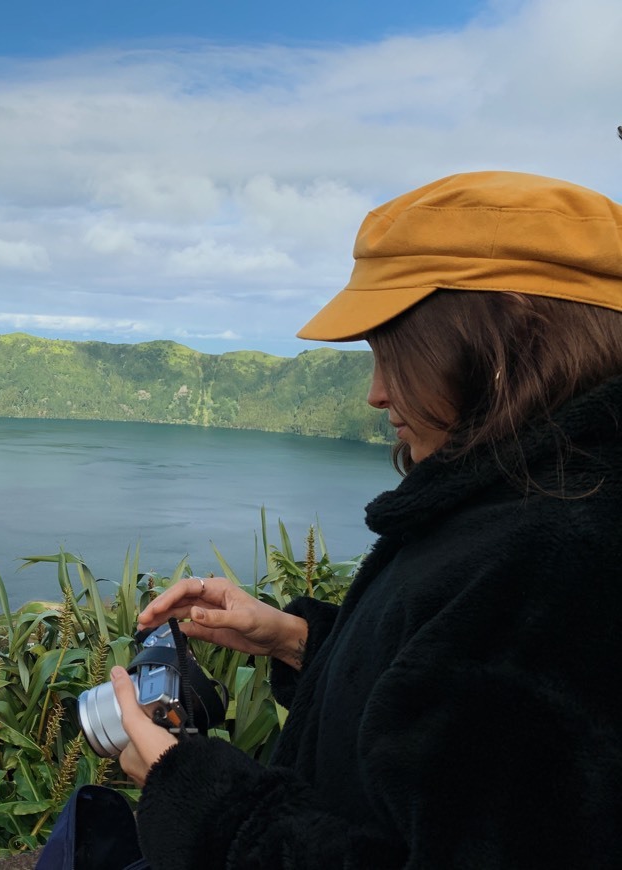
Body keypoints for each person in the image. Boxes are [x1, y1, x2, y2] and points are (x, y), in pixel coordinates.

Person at [109, 170, 622, 868]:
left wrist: (208, 805)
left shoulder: (559, 563)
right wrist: (295, 640)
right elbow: (455, 717)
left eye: (396, 353)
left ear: (508, 337)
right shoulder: (538, 496)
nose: (377, 393)